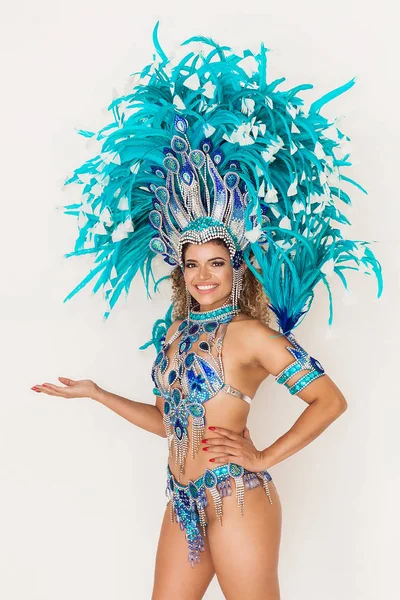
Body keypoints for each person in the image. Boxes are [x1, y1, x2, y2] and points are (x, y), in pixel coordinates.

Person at [31, 23, 383, 600]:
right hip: (183, 499)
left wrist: (264, 454)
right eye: (191, 265)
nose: (203, 276)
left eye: (216, 263)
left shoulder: (248, 335)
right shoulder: (176, 331)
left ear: (236, 268)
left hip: (236, 496)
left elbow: (330, 400)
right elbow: (171, 420)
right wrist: (98, 394)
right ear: (180, 271)